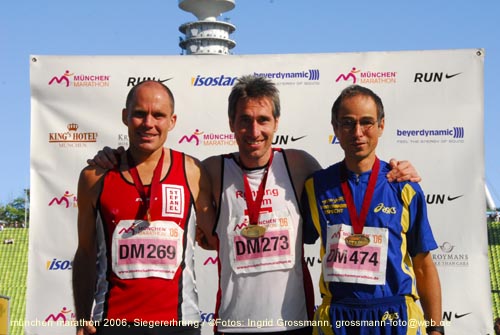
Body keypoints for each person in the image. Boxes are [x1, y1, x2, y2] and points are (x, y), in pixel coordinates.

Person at [89, 76, 421, 335]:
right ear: (232, 124)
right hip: (234, 324)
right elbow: (157, 171)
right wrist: (114, 159)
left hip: (295, 324)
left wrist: (397, 171)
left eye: (263, 119)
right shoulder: (210, 171)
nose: (254, 130)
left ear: (276, 123)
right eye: (244, 120)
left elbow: (350, 188)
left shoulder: (299, 164)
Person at [72, 80, 216, 335]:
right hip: (114, 325)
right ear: (125, 117)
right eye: (139, 114)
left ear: (172, 121)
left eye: (158, 115)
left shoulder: (192, 171)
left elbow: (216, 240)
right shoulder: (95, 177)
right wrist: (82, 318)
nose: (149, 123)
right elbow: (85, 254)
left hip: (178, 326)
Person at [301, 85, 442, 335]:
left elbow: (423, 265)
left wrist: (436, 328)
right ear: (335, 127)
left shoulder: (404, 187)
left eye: (366, 122)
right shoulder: (315, 186)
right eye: (347, 123)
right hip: (338, 318)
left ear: (381, 125)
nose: (358, 132)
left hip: (395, 316)